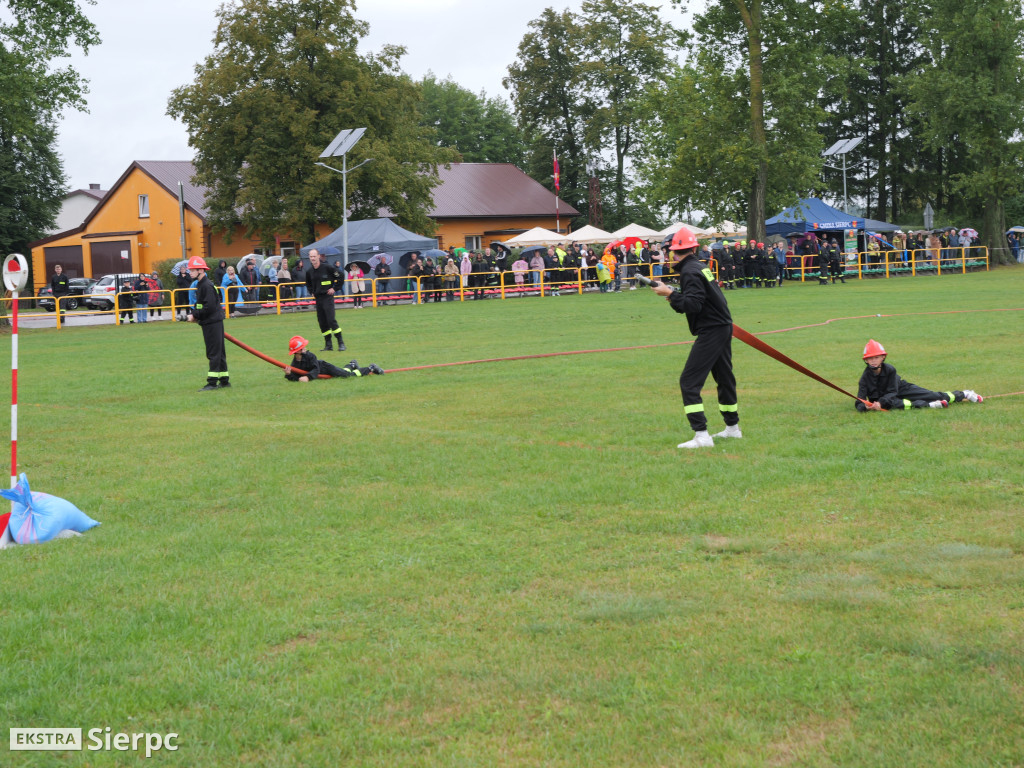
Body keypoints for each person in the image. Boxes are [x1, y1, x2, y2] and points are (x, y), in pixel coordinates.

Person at [650, 228, 740, 449]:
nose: (667, 257)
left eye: (667, 252)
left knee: (689, 383)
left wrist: (670, 295)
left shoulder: (689, 271)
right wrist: (673, 295)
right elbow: (701, 300)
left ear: (674, 252)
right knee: (725, 379)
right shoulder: (699, 267)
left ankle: (702, 435)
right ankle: (732, 429)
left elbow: (692, 305)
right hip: (721, 327)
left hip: (712, 330)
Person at [855, 340, 983, 411]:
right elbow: (859, 401)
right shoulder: (864, 379)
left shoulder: (890, 370)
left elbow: (892, 391)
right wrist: (867, 407)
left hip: (901, 389)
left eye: (876, 357)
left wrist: (880, 403)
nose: (873, 361)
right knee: (900, 405)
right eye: (870, 358)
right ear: (865, 360)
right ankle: (931, 406)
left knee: (931, 395)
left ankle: (964, 394)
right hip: (889, 400)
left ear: (883, 357)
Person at [186, 256, 230, 391]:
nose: (190, 272)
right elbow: (201, 305)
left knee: (213, 353)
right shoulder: (202, 285)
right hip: (211, 322)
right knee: (219, 352)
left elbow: (208, 307)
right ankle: (224, 380)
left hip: (212, 323)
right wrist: (195, 313)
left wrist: (194, 315)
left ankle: (212, 383)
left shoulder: (206, 285)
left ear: (200, 270)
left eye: (192, 270)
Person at [283, 336, 383, 382]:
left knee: (347, 375)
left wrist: (308, 377)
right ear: (298, 351)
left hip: (325, 368)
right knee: (342, 372)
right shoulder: (295, 362)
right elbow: (297, 377)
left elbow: (316, 370)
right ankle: (352, 365)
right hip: (322, 371)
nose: (305, 348)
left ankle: (371, 368)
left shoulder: (310, 356)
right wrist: (289, 375)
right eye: (303, 347)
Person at [305, 249, 346, 351]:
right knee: (322, 322)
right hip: (318, 299)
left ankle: (341, 343)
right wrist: (312, 292)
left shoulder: (327, 267)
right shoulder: (309, 271)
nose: (313, 258)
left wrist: (335, 288)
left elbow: (341, 275)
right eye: (311, 257)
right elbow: (308, 283)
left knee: (331, 320)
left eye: (314, 256)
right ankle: (328, 344)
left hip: (327, 297)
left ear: (318, 256)